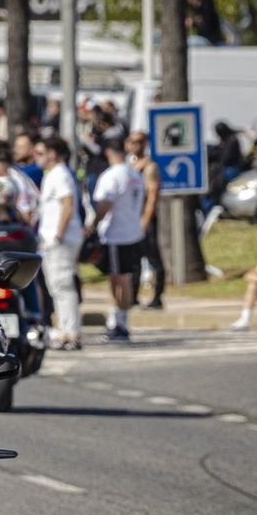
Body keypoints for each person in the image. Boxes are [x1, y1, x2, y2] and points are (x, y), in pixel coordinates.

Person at [90, 137, 147, 342]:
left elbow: (105, 204)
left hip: (115, 234)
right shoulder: (135, 173)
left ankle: (120, 323)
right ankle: (118, 321)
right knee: (123, 278)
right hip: (132, 231)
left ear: (107, 153)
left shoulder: (111, 176)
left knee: (118, 280)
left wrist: (93, 224)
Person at [37, 136, 85, 351]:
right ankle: (64, 330)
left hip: (60, 239)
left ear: (52, 154)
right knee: (56, 286)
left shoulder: (60, 175)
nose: (37, 158)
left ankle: (72, 333)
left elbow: (68, 205)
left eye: (40, 153)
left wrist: (58, 234)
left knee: (63, 284)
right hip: (52, 238)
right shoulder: (52, 175)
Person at [126, 131, 166, 310]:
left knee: (153, 258)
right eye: (131, 141)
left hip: (144, 219)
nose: (134, 145)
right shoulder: (130, 165)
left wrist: (145, 220)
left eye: (138, 142)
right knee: (133, 260)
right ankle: (132, 297)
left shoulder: (150, 167)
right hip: (131, 219)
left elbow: (152, 196)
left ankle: (157, 298)